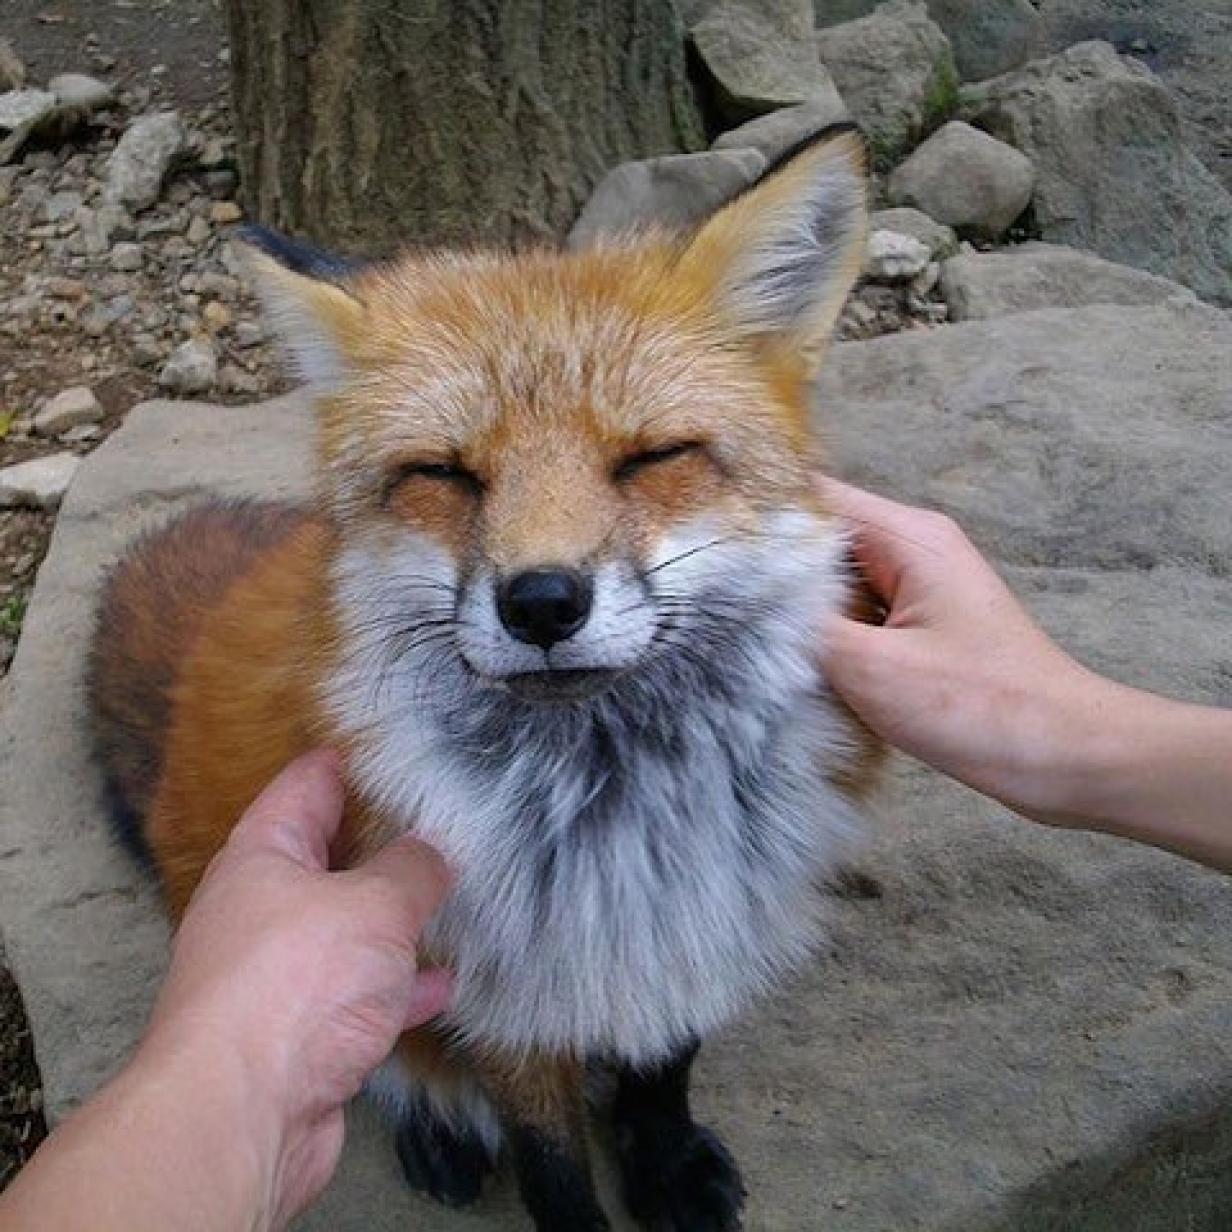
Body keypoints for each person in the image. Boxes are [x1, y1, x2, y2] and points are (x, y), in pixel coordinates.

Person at [2, 483, 1228, 1230]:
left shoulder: (802, 676)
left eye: (640, 461)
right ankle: (554, 1187)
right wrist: (248, 1075)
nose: (547, 560)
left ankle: (653, 1119)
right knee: (485, 1048)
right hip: (424, 1007)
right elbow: (506, 1008)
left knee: (674, 969)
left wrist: (1063, 743)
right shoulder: (398, 720)